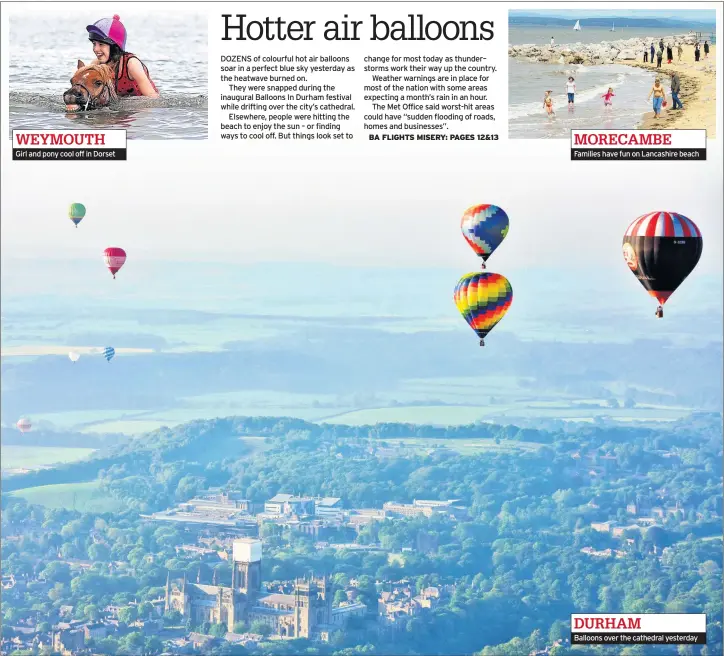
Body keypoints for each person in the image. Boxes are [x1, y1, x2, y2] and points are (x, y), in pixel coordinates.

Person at [86, 15, 159, 97]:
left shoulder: (131, 64)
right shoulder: (96, 65)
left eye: (101, 44)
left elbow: (153, 98)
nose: (95, 49)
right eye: (94, 44)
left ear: (115, 47)